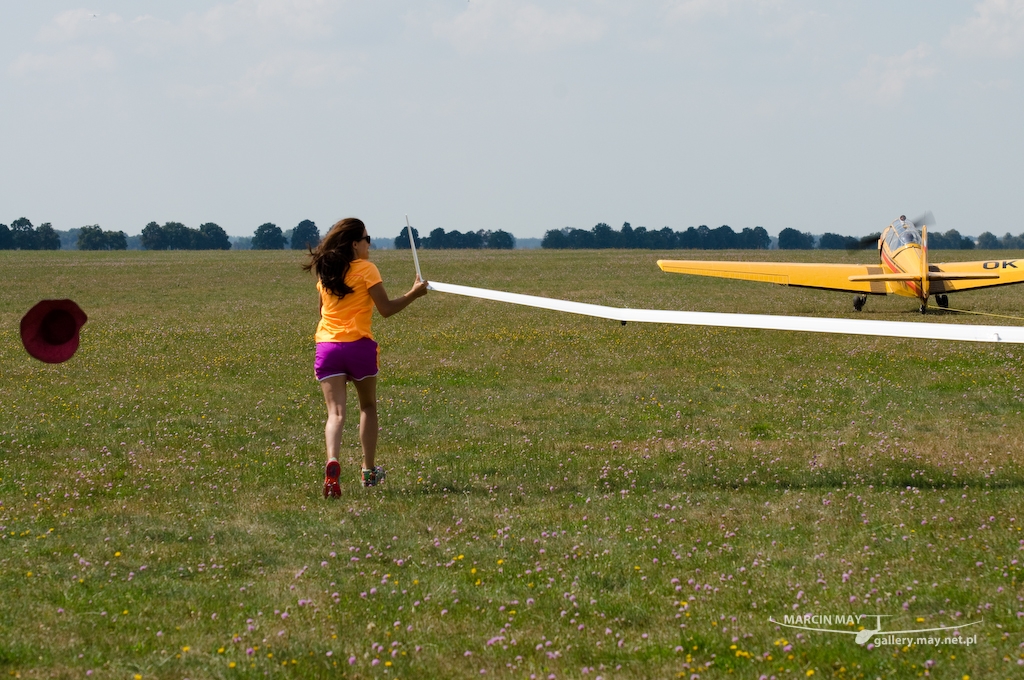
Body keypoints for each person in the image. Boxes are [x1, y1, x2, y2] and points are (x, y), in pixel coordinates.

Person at [303, 218, 428, 496]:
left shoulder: (326, 272)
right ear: (354, 244)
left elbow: (322, 311)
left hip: (327, 347)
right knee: (368, 407)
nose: (370, 245)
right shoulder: (367, 269)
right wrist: (414, 293)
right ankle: (368, 472)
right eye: (367, 239)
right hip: (359, 346)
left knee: (335, 414)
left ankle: (332, 461)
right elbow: (385, 308)